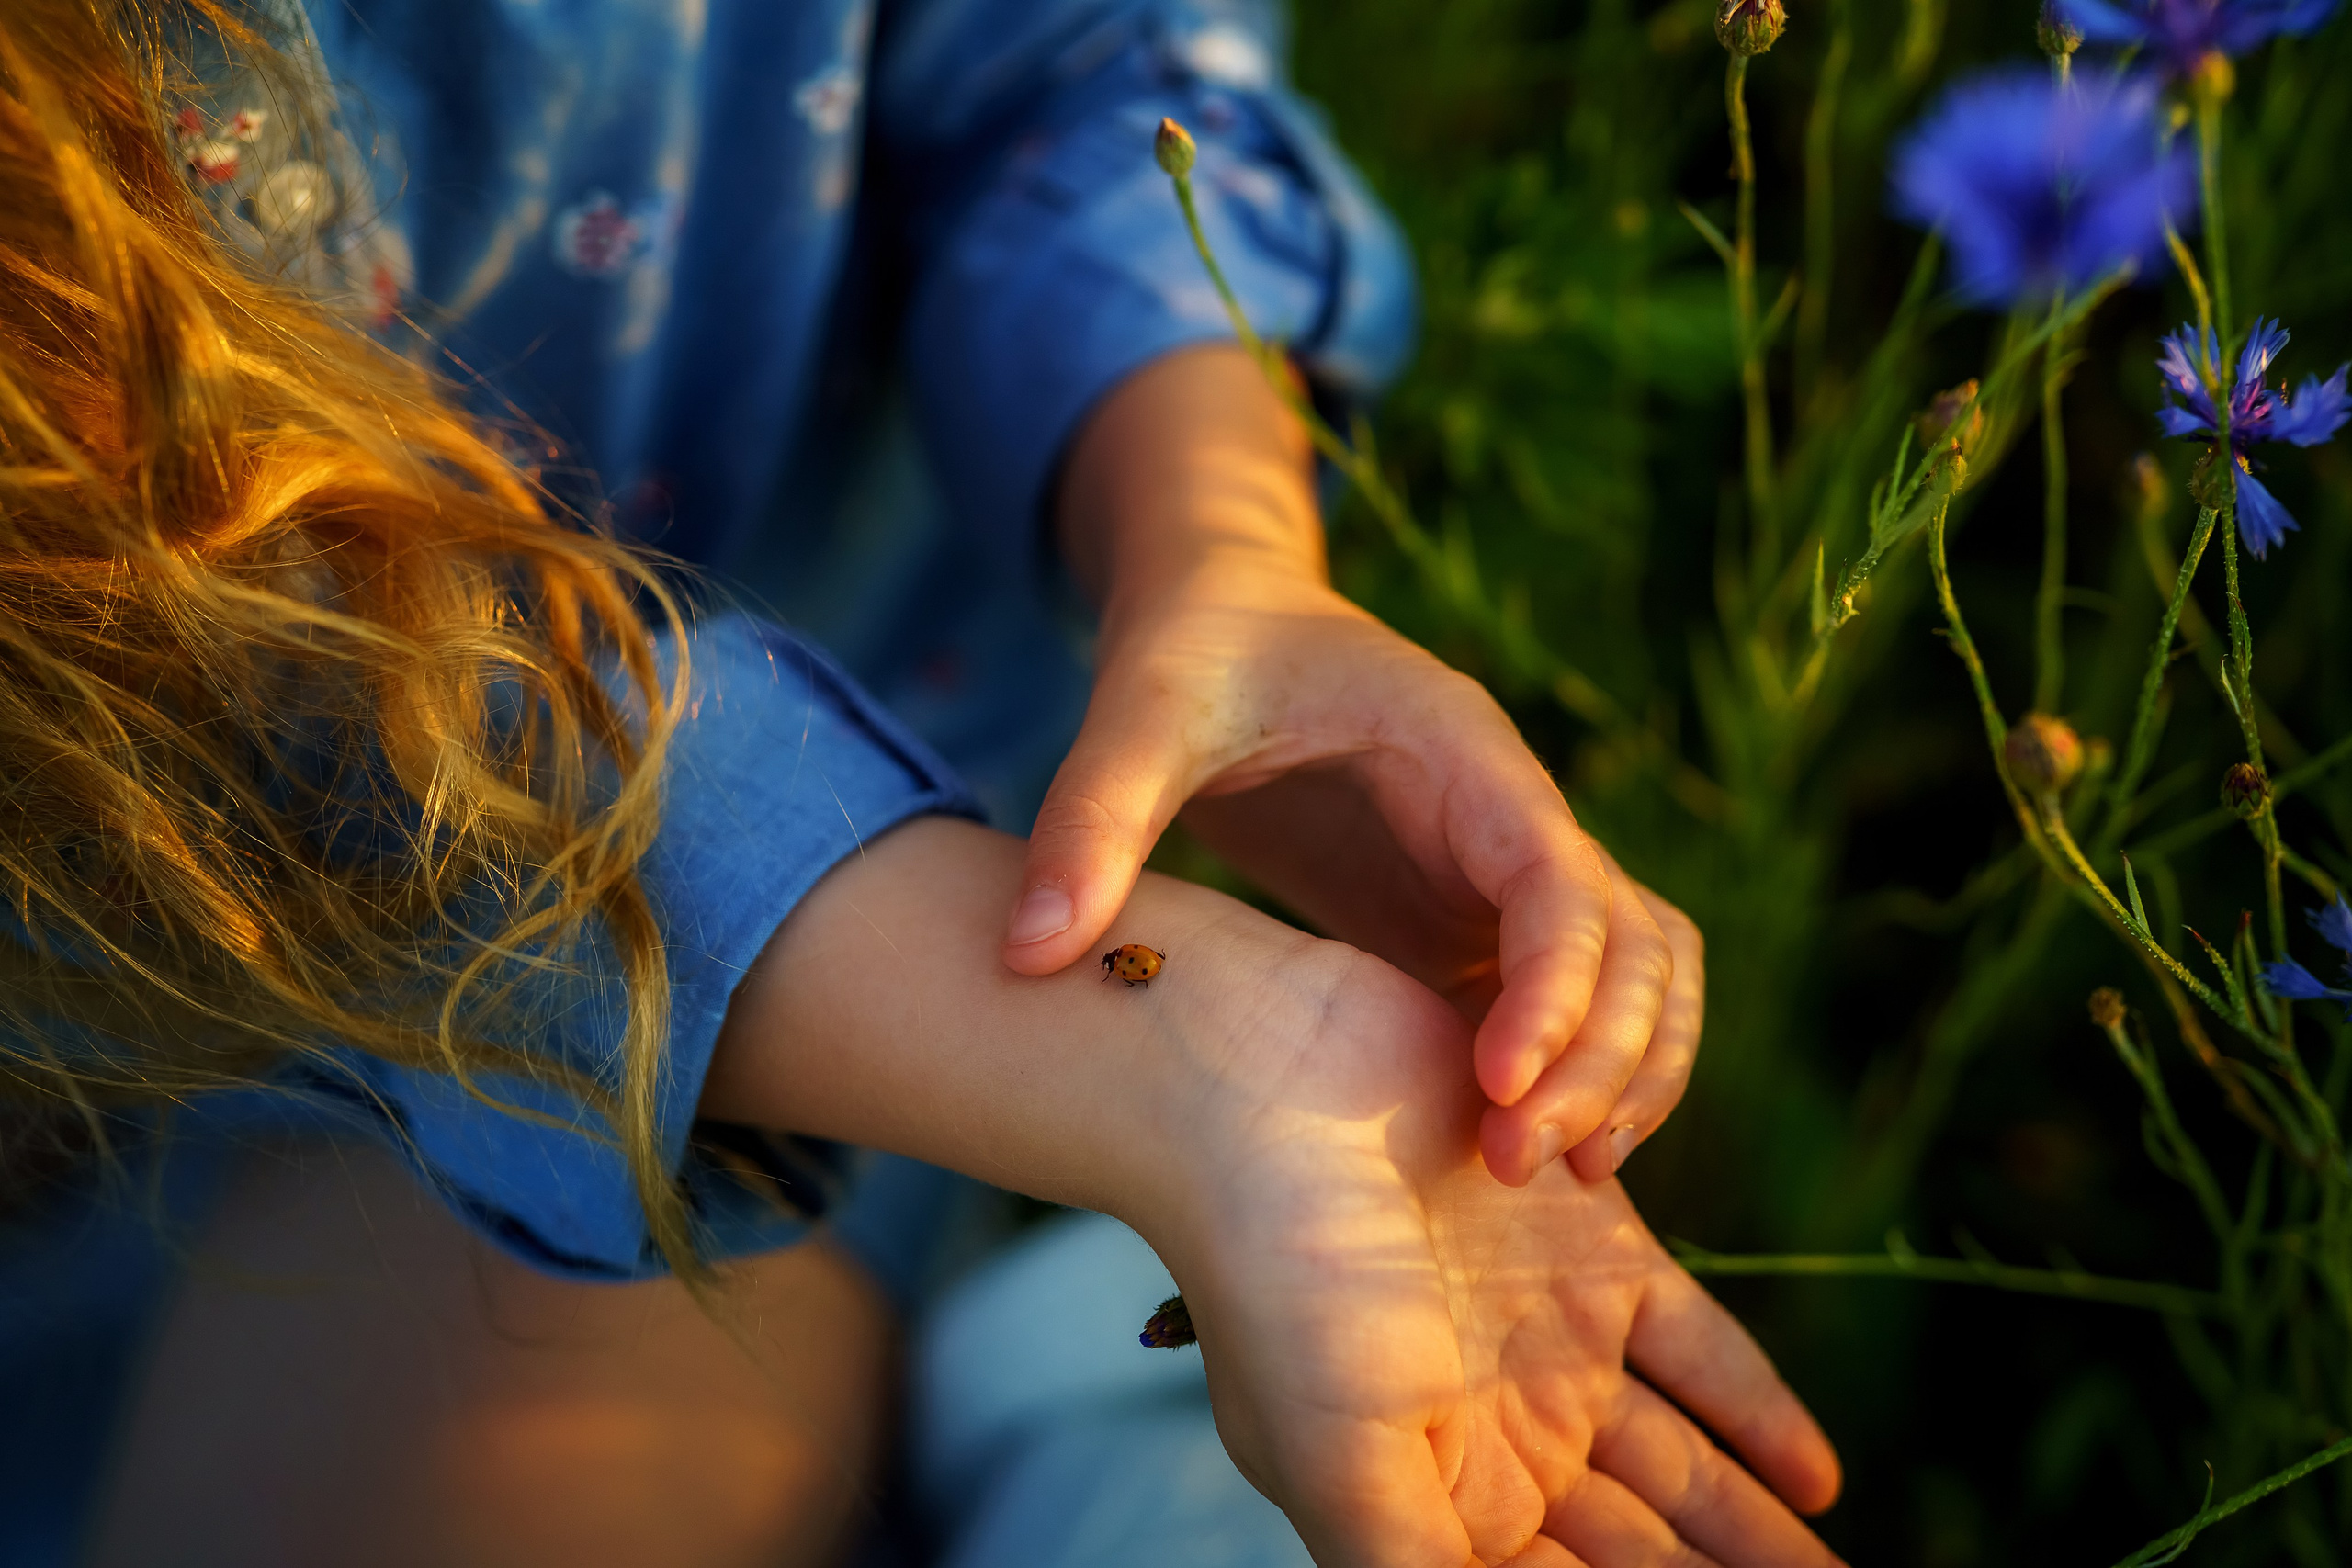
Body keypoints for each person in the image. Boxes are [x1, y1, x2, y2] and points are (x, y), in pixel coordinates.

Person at [0, 2, 1842, 1564]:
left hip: (804, 983)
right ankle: (1054, 1362)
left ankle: (1013, 1336)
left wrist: (1215, 553)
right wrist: (1150, 1049)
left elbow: (1073, 60)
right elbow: (188, 644)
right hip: (144, 973)